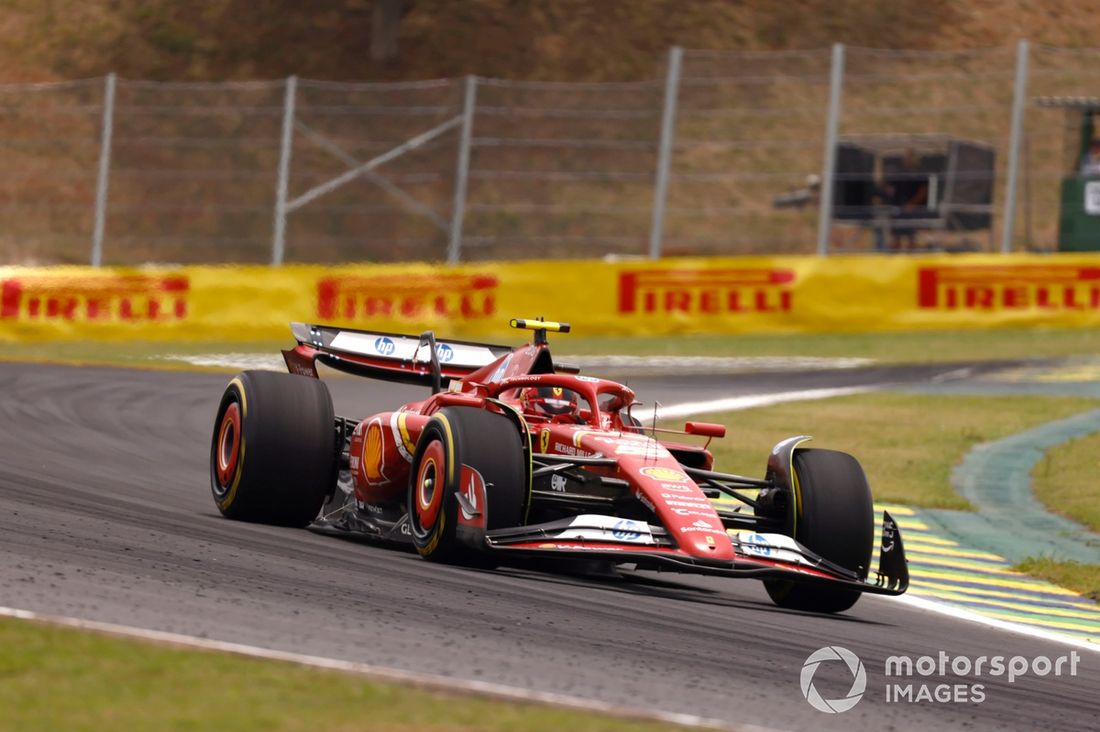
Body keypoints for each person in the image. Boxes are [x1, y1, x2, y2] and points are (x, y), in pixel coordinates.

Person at [886, 149, 929, 251]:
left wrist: (912, 204)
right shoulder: (898, 172)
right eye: (906, 157)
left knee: (911, 237)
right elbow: (891, 188)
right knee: (896, 237)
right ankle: (894, 260)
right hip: (898, 208)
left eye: (910, 157)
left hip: (911, 209)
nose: (907, 159)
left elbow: (923, 191)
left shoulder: (919, 173)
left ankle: (911, 259)